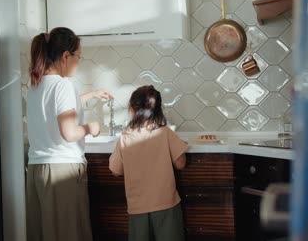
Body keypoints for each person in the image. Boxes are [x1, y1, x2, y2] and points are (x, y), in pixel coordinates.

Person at [26, 27, 112, 241]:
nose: (78, 63)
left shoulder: (36, 84)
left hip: (37, 170)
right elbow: (69, 132)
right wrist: (90, 128)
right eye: (78, 57)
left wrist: (90, 95)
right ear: (66, 56)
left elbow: (55, 110)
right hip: (62, 172)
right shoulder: (64, 85)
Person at [109, 85, 188, 241]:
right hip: (166, 204)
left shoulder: (125, 138)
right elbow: (181, 164)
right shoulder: (165, 132)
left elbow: (115, 170)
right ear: (158, 110)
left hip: (138, 208)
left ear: (132, 109)